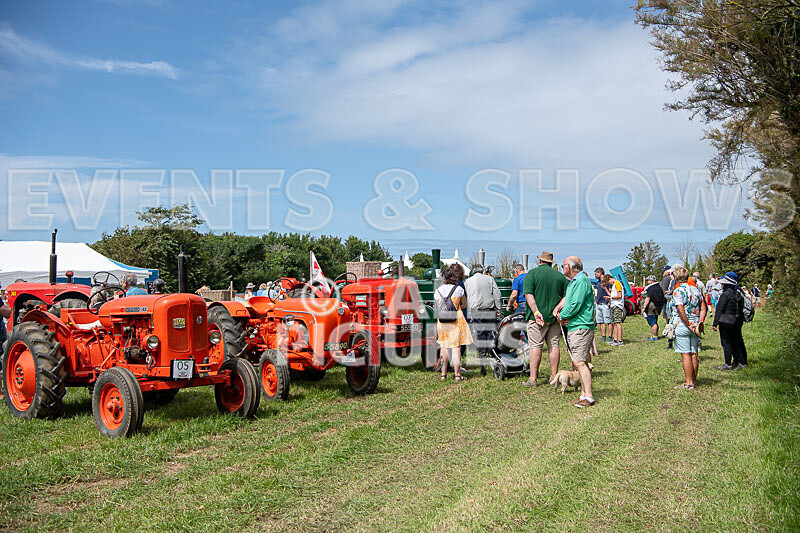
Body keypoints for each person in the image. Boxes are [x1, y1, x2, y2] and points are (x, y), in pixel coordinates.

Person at [553, 256, 596, 408]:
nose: (562, 268)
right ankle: (583, 394)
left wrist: (562, 316)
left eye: (563, 265)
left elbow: (575, 303)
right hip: (576, 326)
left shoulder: (581, 281)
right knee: (580, 362)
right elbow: (568, 299)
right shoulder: (574, 282)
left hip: (580, 326)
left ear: (569, 267)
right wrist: (558, 308)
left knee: (580, 363)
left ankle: (588, 397)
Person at [522, 251, 568, 387]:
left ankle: (533, 378)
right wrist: (558, 309)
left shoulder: (532, 274)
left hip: (537, 318)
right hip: (554, 318)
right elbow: (567, 297)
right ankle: (553, 376)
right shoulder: (560, 277)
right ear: (550, 263)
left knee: (535, 347)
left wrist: (536, 311)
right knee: (554, 345)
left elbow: (529, 294)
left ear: (540, 261)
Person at [671, 265, 707, 390]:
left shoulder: (678, 291)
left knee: (685, 354)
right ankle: (694, 380)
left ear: (676, 278)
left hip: (683, 325)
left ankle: (688, 382)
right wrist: (700, 321)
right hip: (696, 324)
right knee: (694, 353)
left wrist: (688, 324)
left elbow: (681, 310)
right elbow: (703, 307)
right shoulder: (696, 290)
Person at [435, 265, 473, 382]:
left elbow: (438, 306)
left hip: (442, 321)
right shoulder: (459, 290)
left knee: (444, 347)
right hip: (456, 319)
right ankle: (457, 374)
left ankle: (443, 374)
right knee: (456, 347)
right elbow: (464, 305)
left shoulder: (438, 291)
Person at [464, 264, 501, 368]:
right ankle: (492, 353)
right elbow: (497, 294)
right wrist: (498, 309)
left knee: (479, 333)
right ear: (482, 271)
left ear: (473, 271)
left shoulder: (467, 282)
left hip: (476, 310)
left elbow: (466, 298)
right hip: (489, 309)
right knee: (491, 332)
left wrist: (469, 313)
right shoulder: (490, 279)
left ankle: (482, 354)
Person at [713, 272, 748, 370]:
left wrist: (715, 323)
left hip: (726, 322)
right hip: (737, 321)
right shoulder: (738, 294)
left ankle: (728, 363)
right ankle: (741, 361)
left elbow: (719, 309)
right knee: (737, 341)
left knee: (726, 342)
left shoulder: (725, 295)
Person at [640, 274, 665, 341]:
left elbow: (647, 298)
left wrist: (644, 308)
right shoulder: (658, 287)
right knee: (655, 321)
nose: (647, 281)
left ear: (651, 281)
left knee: (652, 322)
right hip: (657, 307)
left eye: (648, 280)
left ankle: (654, 336)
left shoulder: (650, 288)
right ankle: (655, 335)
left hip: (651, 307)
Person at [607, 274, 625, 346]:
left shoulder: (617, 283)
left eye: (608, 282)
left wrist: (611, 298)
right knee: (614, 323)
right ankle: (615, 339)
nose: (609, 284)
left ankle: (620, 340)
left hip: (617, 305)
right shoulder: (614, 284)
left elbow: (619, 295)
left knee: (617, 323)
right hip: (614, 305)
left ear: (610, 279)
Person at [594, 272, 611, 342]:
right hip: (598, 304)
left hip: (605, 304)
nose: (595, 275)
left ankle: (610, 337)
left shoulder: (607, 281)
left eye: (596, 274)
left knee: (608, 321)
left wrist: (609, 302)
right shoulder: (598, 283)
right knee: (601, 321)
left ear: (600, 273)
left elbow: (610, 292)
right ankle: (603, 336)